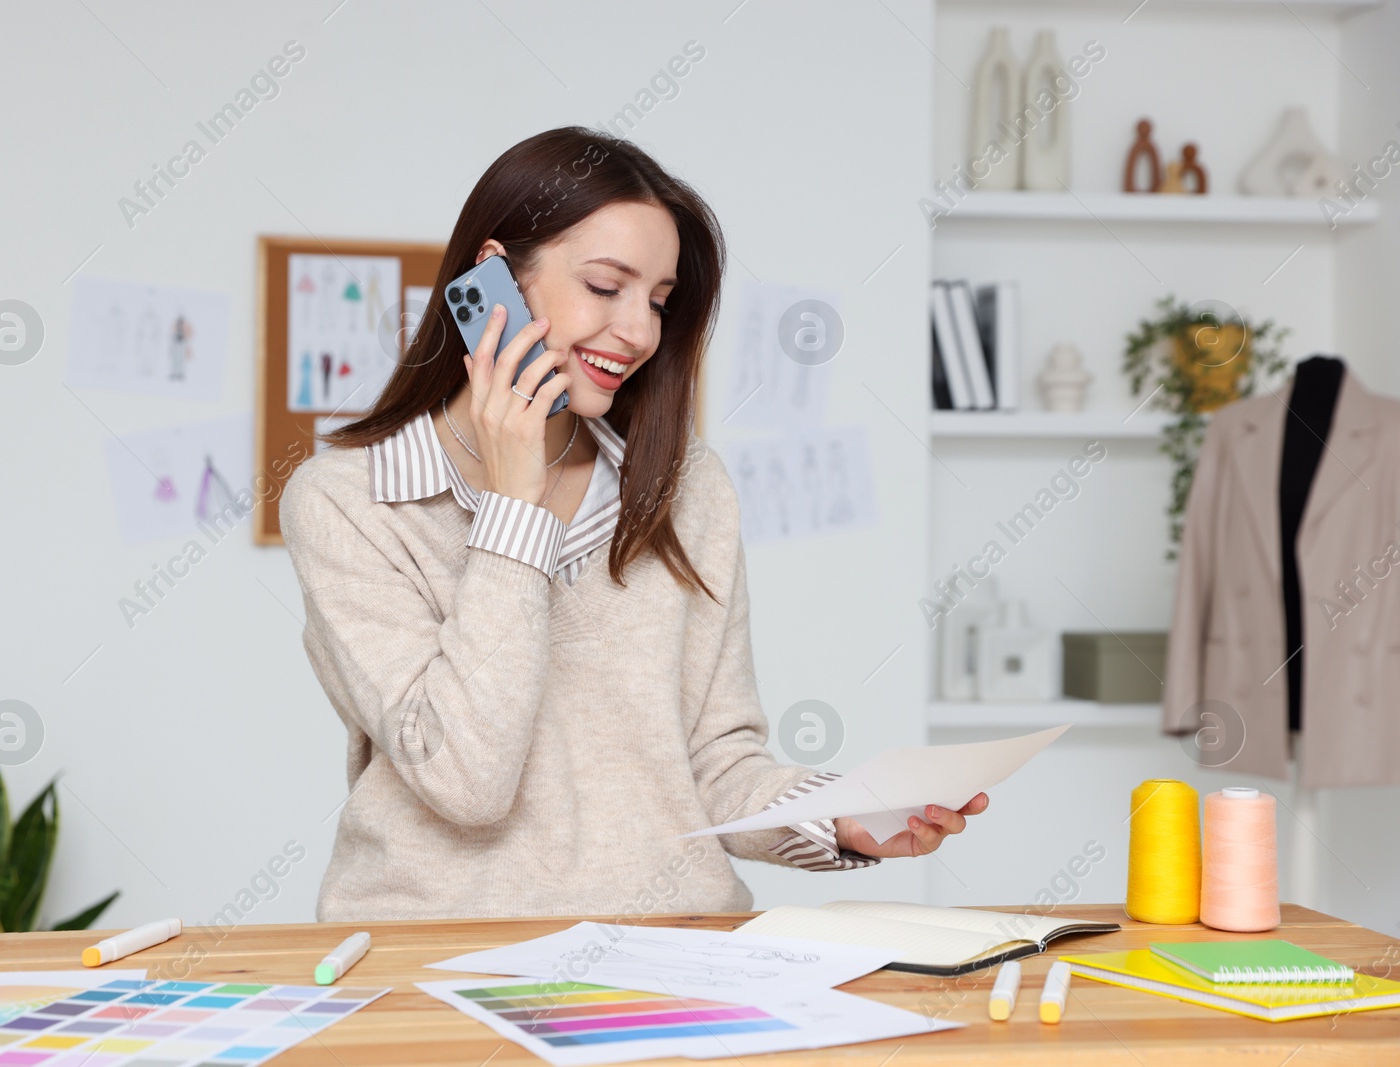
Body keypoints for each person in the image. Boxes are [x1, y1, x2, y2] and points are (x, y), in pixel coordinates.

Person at [279, 126, 988, 922]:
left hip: (671, 948)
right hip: (437, 957)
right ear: (494, 280)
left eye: (658, 300)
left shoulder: (687, 488)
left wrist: (845, 816)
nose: (642, 333)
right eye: (606, 286)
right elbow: (465, 779)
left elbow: (716, 761)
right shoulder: (346, 503)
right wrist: (515, 505)